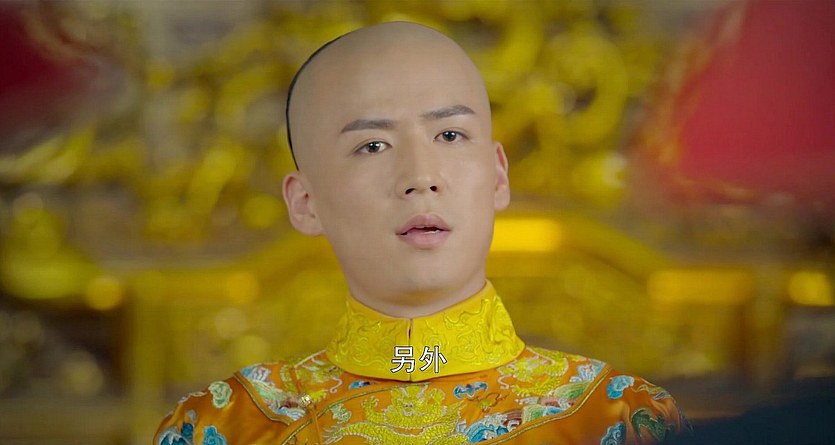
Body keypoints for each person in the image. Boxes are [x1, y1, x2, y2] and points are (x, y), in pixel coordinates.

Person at [154, 21, 689, 445]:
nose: (420, 177)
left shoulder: (619, 420)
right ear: (305, 203)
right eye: (372, 146)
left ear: (498, 175)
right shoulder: (227, 427)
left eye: (450, 135)